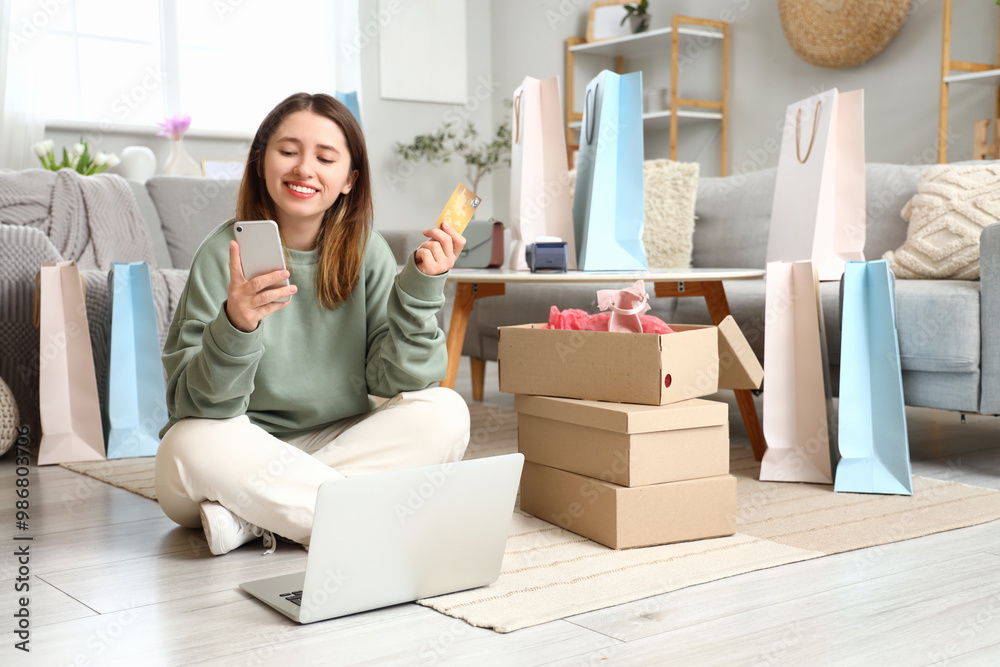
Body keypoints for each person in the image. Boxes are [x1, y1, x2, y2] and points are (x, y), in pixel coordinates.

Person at [154, 92, 470, 555]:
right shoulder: (221, 254)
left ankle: (248, 517)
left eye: (325, 157)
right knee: (186, 444)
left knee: (444, 411)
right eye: (288, 152)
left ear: (349, 180)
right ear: (262, 163)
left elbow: (401, 380)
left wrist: (423, 287)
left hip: (337, 436)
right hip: (236, 448)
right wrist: (236, 326)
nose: (304, 168)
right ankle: (365, 525)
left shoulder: (369, 252)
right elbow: (194, 405)